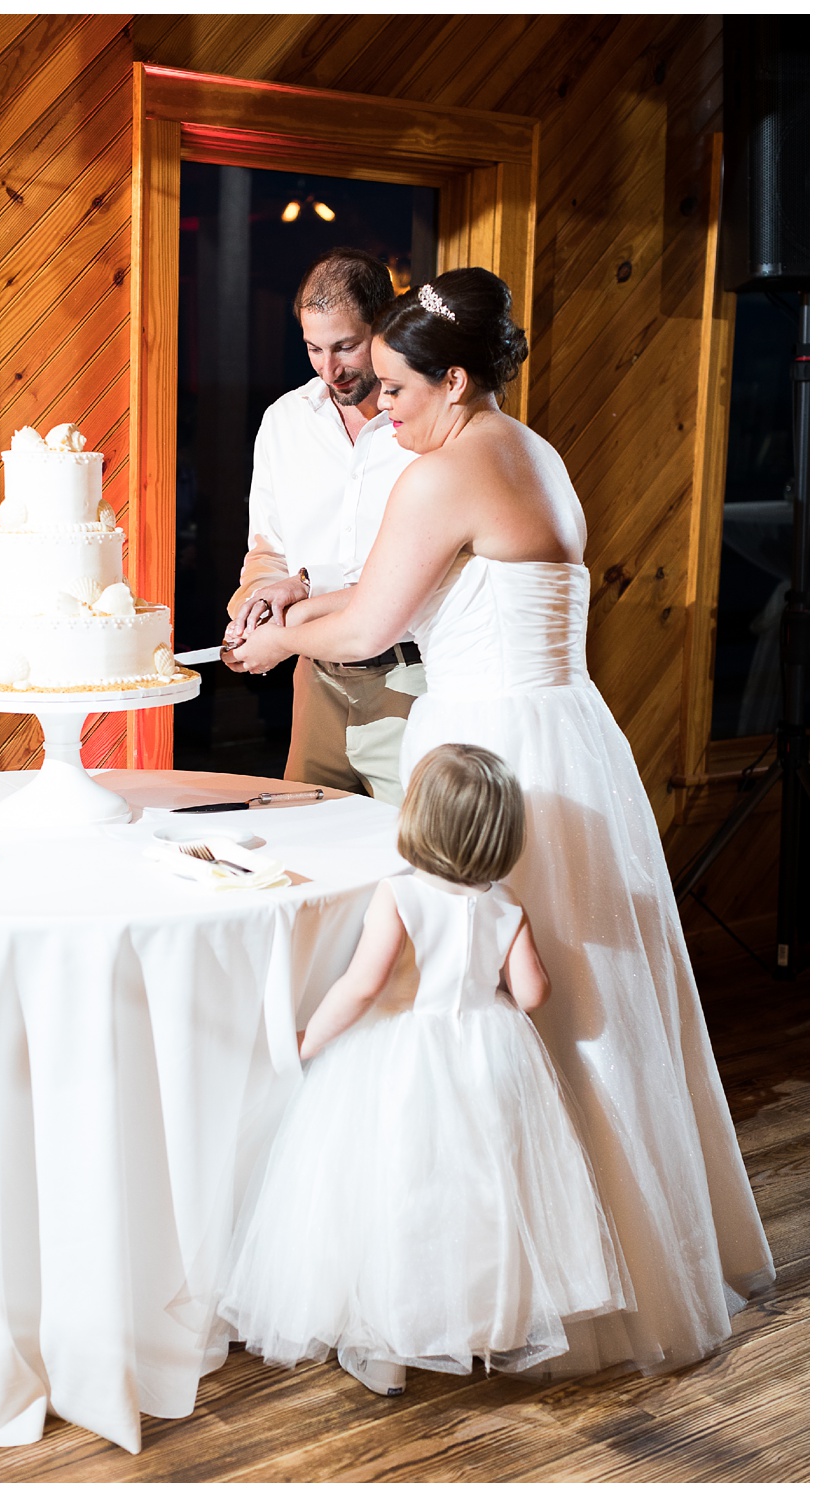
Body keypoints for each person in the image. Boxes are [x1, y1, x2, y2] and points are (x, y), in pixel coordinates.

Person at [228, 268, 774, 1378]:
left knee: (464, 1000)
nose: (378, 410)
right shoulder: (526, 452)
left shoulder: (442, 475)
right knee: (581, 1000)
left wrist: (277, 641)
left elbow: (378, 620)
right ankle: (617, 1249)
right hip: (566, 735)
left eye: (390, 389)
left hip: (483, 745)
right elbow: (407, 595)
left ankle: (493, 1277)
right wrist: (296, 604)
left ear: (454, 379)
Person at [219, 745, 630, 1396]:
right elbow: (531, 993)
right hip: (488, 1060)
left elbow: (361, 985)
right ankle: (478, 1324)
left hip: (403, 1059)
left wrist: (309, 1038)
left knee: (400, 1195)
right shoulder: (504, 904)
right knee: (481, 1197)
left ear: (418, 819)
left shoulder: (400, 894)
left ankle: (387, 1349)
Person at [221, 247, 421, 803]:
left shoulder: (427, 427)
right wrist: (259, 604)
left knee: (414, 861)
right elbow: (268, 551)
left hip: (412, 681)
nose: (329, 370)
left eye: (345, 347)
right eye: (313, 348)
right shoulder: (284, 421)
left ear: (384, 325)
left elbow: (423, 577)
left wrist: (290, 624)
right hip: (315, 683)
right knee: (308, 841)